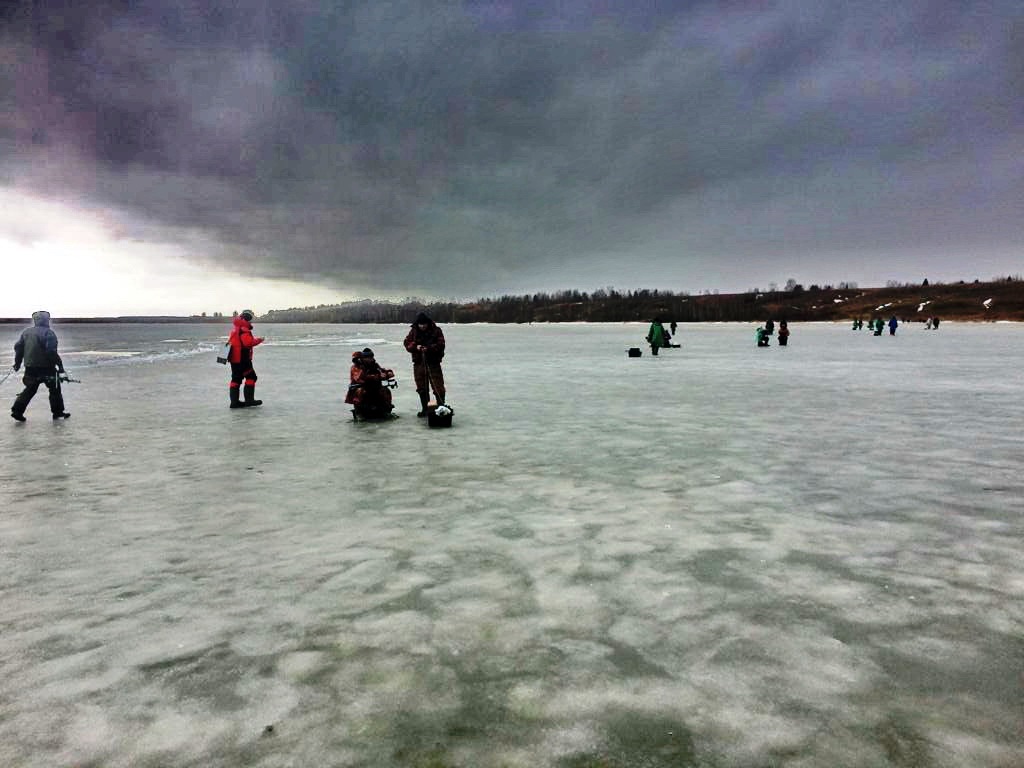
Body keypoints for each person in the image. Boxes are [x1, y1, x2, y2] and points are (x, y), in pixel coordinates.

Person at [10, 310, 70, 421]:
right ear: (46, 320)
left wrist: (17, 363)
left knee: (30, 389)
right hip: (47, 368)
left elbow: (19, 348)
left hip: (30, 368)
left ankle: (17, 411)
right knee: (55, 389)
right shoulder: (49, 333)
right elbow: (51, 352)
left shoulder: (26, 332)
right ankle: (58, 412)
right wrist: (60, 367)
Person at [404, 312, 446, 416]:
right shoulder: (413, 331)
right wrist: (415, 347)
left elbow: (441, 345)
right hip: (419, 364)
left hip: (433, 363)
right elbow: (406, 343)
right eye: (420, 324)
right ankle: (425, 409)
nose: (422, 326)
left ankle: (441, 407)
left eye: (424, 324)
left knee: (438, 386)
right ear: (417, 324)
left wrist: (429, 348)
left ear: (428, 323)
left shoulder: (436, 330)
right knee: (422, 388)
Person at [227, 310, 264, 408]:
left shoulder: (235, 329)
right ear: (247, 319)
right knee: (251, 377)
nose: (251, 322)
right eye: (251, 320)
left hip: (234, 359)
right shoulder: (244, 330)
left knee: (236, 379)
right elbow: (248, 343)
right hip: (243, 359)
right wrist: (259, 340)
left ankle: (234, 402)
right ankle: (249, 400)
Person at [345, 348, 395, 417]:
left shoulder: (375, 365)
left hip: (375, 388)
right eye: (368, 357)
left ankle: (386, 410)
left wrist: (387, 374)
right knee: (359, 392)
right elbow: (359, 378)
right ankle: (359, 413)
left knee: (386, 391)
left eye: (371, 357)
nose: (371, 359)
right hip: (362, 388)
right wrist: (377, 376)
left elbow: (383, 371)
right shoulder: (355, 367)